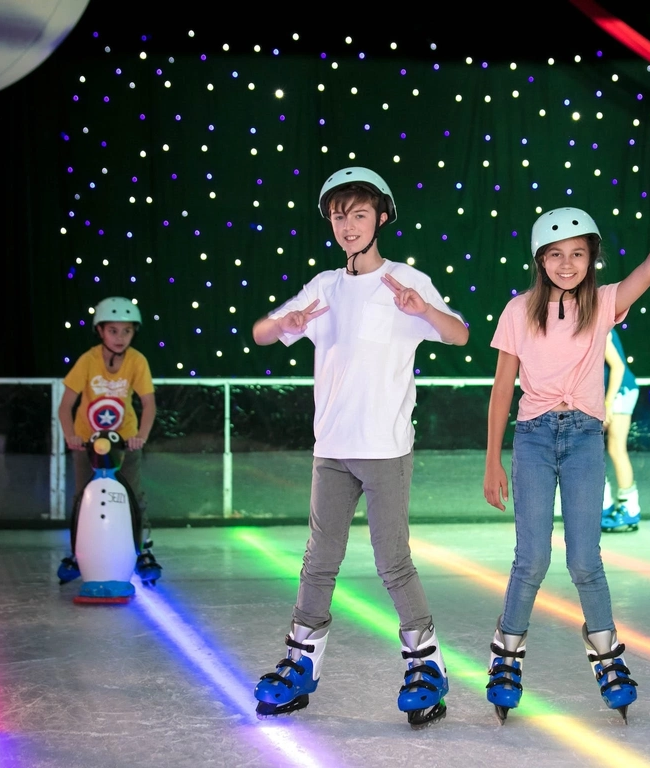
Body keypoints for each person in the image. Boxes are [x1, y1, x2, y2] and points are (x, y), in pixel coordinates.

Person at [483, 165, 650, 723]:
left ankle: (607, 656)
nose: (567, 264)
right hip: (535, 438)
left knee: (586, 559)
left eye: (578, 254)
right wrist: (492, 459)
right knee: (531, 559)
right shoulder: (518, 310)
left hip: (586, 437)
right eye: (556, 254)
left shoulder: (606, 302)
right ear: (539, 258)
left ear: (592, 259)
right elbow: (500, 391)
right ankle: (507, 657)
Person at [251, 167, 469, 728]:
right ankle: (301, 665)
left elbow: (460, 334)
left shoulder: (405, 281)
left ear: (382, 217)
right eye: (338, 215)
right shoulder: (323, 287)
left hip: (386, 449)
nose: (347, 226)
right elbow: (260, 332)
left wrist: (423, 311)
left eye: (359, 214)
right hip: (332, 448)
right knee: (318, 561)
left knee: (393, 562)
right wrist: (286, 323)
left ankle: (427, 669)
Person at [56, 296, 161, 584]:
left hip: (124, 442)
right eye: (113, 330)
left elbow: (148, 404)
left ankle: (142, 551)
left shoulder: (137, 361)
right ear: (100, 331)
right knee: (82, 499)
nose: (120, 337)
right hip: (88, 443)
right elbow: (65, 406)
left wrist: (140, 437)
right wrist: (71, 437)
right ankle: (79, 554)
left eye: (126, 331)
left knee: (134, 497)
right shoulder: (88, 361)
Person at [602, 328, 641, 532]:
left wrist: (608, 404)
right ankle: (603, 504)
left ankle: (629, 509)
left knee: (616, 448)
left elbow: (618, 366)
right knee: (589, 450)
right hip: (602, 395)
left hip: (619, 392)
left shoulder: (598, 324)